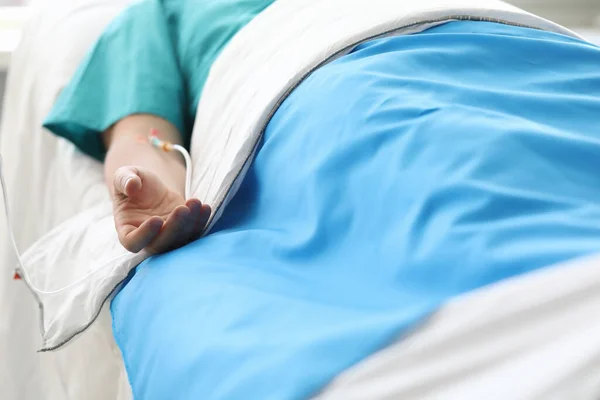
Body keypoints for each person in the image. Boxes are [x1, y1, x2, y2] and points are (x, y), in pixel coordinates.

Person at [43, 0, 600, 397]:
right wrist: (146, 180)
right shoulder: (167, 12)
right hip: (348, 88)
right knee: (459, 175)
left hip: (528, 56)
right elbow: (142, 137)